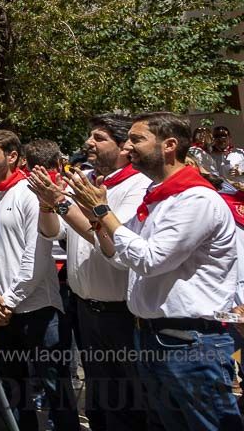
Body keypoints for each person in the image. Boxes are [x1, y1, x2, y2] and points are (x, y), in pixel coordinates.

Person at [67, 112, 243, 430]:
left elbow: (150, 260)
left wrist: (104, 212)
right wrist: (93, 217)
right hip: (154, 337)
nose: (129, 147)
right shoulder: (159, 198)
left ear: (169, 145)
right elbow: (122, 258)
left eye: (137, 139)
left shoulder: (196, 199)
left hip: (191, 342)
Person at [26, 115, 149, 431]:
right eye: (90, 137)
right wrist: (46, 205)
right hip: (84, 308)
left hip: (121, 315)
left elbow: (110, 244)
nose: (88, 144)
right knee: (99, 402)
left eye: (99, 138)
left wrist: (64, 205)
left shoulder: (138, 185)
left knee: (128, 403)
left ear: (123, 148)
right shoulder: (87, 181)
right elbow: (55, 234)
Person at [0, 130, 78, 431]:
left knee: (57, 390)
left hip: (38, 310)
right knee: (13, 393)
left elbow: (38, 254)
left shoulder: (31, 194)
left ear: (12, 156)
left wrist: (11, 299)